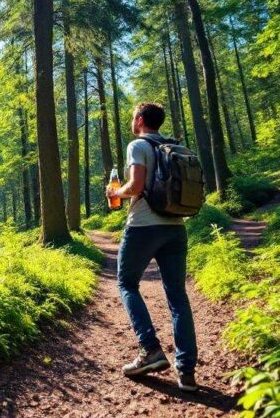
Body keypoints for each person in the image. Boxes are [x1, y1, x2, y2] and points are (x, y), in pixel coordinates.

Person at [105, 102, 198, 392]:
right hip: (176, 226)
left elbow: (135, 186)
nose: (132, 121)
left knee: (127, 283)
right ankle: (187, 371)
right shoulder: (174, 147)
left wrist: (114, 192)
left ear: (141, 120)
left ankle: (150, 349)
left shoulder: (138, 145)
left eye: (134, 117)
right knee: (178, 297)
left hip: (143, 226)